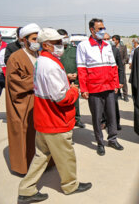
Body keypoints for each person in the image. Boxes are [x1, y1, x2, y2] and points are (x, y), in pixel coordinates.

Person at [18, 28, 92, 203]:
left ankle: (26, 189)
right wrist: (74, 91)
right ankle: (70, 185)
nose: (62, 46)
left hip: (44, 119)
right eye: (58, 43)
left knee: (41, 156)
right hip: (55, 120)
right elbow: (60, 97)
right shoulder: (50, 65)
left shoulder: (42, 61)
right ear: (46, 45)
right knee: (66, 156)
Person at [77, 18, 123, 156]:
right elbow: (81, 69)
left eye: (104, 28)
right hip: (94, 88)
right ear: (92, 30)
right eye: (100, 29)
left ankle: (113, 139)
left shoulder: (108, 45)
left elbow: (113, 66)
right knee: (97, 117)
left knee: (111, 115)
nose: (103, 31)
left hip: (109, 86)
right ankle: (100, 142)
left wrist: (115, 84)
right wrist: (84, 89)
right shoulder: (83, 46)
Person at [5, 23, 40, 175]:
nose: (37, 42)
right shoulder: (15, 57)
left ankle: (42, 164)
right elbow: (15, 83)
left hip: (40, 102)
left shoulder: (39, 55)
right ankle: (24, 167)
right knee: (24, 135)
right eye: (34, 39)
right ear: (24, 40)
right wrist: (38, 80)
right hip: (25, 103)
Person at [59, 29, 84, 128]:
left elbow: (80, 63)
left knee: (75, 101)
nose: (65, 40)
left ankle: (77, 119)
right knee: (63, 101)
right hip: (61, 81)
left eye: (66, 37)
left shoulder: (74, 49)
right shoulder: (57, 51)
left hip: (74, 80)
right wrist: (66, 75)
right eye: (62, 38)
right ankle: (65, 120)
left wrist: (77, 74)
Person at [104, 33, 124, 131]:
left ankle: (116, 122)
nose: (107, 40)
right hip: (103, 83)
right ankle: (104, 122)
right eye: (105, 39)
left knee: (114, 103)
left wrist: (121, 81)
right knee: (103, 104)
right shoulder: (98, 50)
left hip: (114, 82)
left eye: (108, 38)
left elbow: (121, 67)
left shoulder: (115, 50)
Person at [113, 35, 129, 102]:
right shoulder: (112, 48)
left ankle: (125, 95)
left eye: (113, 40)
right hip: (114, 67)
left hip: (121, 67)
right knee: (115, 80)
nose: (112, 41)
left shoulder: (123, 47)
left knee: (123, 81)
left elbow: (126, 57)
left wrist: (120, 64)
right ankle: (118, 94)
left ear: (117, 40)